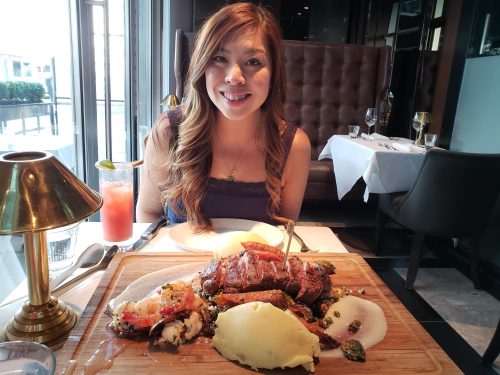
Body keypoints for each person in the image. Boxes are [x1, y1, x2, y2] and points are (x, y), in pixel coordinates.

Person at [136, 2, 310, 230]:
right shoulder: (169, 131)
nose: (234, 77)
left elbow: (284, 234)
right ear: (202, 67)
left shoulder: (295, 146)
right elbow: (148, 213)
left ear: (273, 74)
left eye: (253, 61)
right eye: (219, 58)